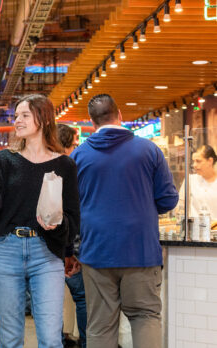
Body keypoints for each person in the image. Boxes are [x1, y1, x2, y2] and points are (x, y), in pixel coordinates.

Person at [70, 94, 179, 348]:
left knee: (100, 325)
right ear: (120, 116)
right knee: (145, 317)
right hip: (140, 250)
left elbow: (70, 208)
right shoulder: (149, 150)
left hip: (96, 251)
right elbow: (168, 201)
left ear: (91, 121)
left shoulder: (78, 156)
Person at [0, 94, 80, 348]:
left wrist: (57, 223)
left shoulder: (65, 165)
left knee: (51, 338)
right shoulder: (4, 160)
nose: (17, 121)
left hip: (46, 254)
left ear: (43, 119)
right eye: (16, 116)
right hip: (6, 250)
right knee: (10, 339)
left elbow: (74, 219)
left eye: (24, 115)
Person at [57, 124, 87, 348]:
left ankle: (57, 339)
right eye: (74, 143)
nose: (77, 148)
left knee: (49, 299)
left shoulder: (40, 166)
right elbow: (71, 213)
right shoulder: (69, 169)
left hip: (45, 248)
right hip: (65, 247)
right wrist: (70, 251)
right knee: (82, 297)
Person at [179, 145, 217, 220]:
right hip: (194, 229)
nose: (194, 165)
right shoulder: (190, 180)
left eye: (198, 161)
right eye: (194, 161)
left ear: (210, 161)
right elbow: (180, 207)